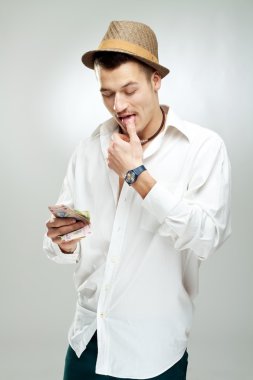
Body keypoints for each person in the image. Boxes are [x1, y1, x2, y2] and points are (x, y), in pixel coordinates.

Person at [43, 20, 231, 380]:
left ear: (156, 80)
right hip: (88, 342)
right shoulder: (87, 150)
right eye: (107, 93)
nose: (119, 105)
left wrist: (138, 176)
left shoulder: (203, 149)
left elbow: (207, 237)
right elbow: (64, 246)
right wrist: (61, 240)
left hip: (154, 352)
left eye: (130, 89)